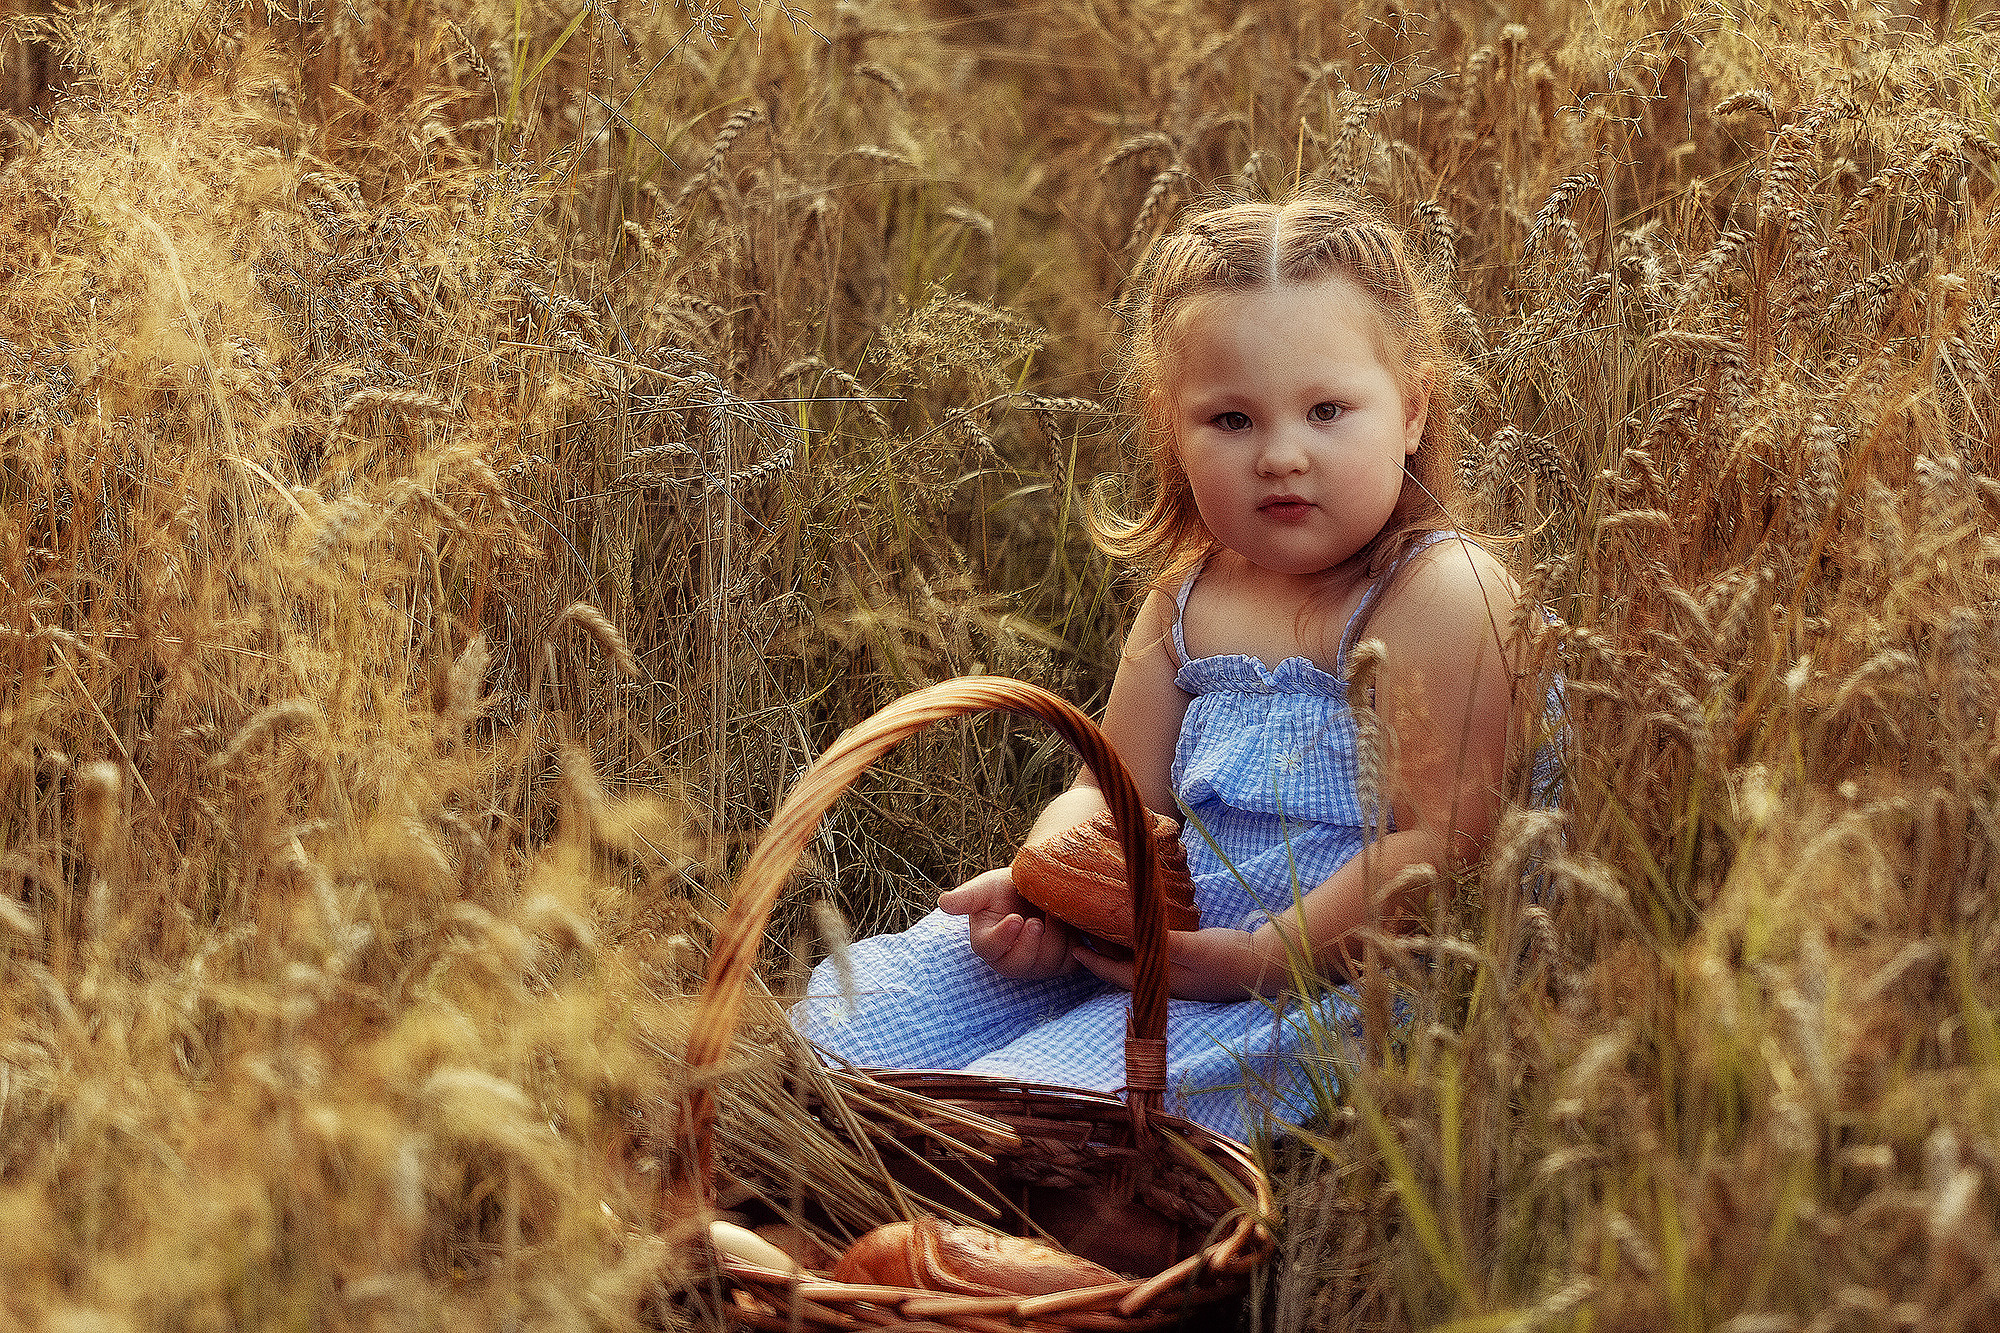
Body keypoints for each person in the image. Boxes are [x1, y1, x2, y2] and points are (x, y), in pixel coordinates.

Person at [792, 194, 1544, 1143]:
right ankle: (809, 1160)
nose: (1281, 454)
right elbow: (1110, 787)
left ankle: (940, 1207)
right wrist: (1054, 886)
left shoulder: (1439, 594)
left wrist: (1257, 957)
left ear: (1413, 411)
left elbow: (1443, 846)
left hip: (1324, 968)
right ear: (1170, 427)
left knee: (1046, 1110)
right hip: (1166, 933)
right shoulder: (1186, 601)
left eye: (1326, 410)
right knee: (871, 1014)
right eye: (1231, 418)